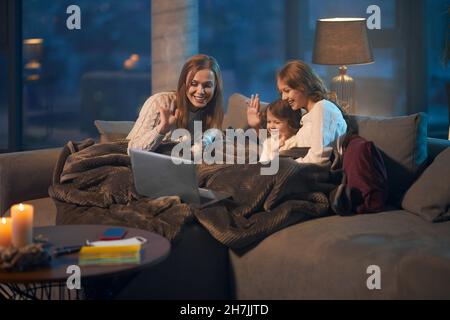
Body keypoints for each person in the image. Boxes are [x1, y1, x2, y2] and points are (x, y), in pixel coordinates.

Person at [247, 60, 348, 164]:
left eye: (287, 91)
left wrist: (283, 167)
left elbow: (318, 158)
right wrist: (257, 127)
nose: (283, 98)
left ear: (302, 86)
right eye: (281, 92)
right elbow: (277, 145)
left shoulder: (323, 108)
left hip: (308, 174)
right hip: (294, 168)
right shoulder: (307, 115)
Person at [127, 54, 224, 153]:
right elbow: (132, 151)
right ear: (184, 83)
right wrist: (162, 128)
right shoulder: (160, 102)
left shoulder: (211, 112)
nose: (200, 91)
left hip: (175, 166)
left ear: (215, 88)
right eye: (193, 84)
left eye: (207, 85)